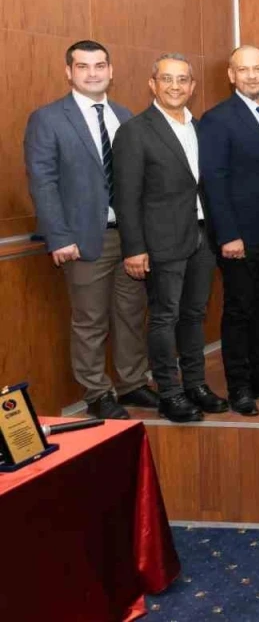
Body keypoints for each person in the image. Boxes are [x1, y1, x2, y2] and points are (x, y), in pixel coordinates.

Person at [24, 40, 153, 420]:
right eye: (83, 66)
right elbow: (43, 182)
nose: (92, 73)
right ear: (69, 72)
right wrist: (59, 237)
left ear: (111, 71)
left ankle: (132, 383)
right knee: (90, 320)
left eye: (99, 66)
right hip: (81, 239)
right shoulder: (48, 119)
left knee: (131, 315)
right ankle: (97, 392)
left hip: (129, 237)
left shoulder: (124, 116)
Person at [114, 54, 226, 423]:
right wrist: (134, 248)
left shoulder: (200, 128)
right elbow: (126, 196)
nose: (175, 86)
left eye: (182, 80)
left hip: (202, 236)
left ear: (192, 87)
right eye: (167, 79)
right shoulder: (135, 131)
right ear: (153, 84)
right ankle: (170, 393)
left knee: (194, 314)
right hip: (162, 239)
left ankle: (195, 384)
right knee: (165, 317)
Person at [199, 44, 259, 416]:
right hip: (238, 236)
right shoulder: (217, 119)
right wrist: (228, 235)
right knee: (239, 310)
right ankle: (239, 387)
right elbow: (214, 180)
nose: (252, 75)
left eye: (258, 69)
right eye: (244, 69)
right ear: (231, 75)